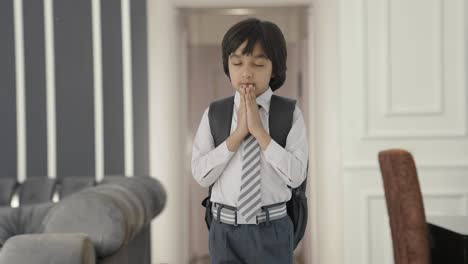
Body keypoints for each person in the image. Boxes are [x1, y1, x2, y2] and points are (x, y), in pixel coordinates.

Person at [191, 17, 309, 264]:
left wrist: (259, 133)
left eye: (257, 63)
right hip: (225, 231)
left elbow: (297, 175)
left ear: (274, 68)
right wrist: (237, 136)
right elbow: (201, 175)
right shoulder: (214, 113)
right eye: (237, 62)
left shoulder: (289, 113)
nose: (246, 72)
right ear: (228, 66)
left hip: (273, 229)